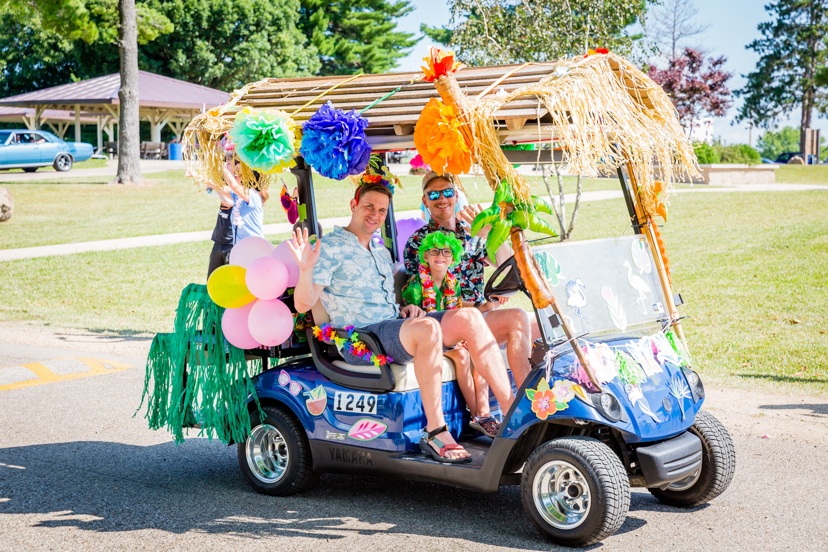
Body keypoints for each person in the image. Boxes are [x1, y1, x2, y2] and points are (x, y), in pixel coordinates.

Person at [289, 176, 515, 463]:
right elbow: (303, 304)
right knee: (428, 329)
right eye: (369, 207)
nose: (375, 215)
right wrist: (305, 269)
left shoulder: (380, 250)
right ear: (353, 205)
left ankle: (511, 415)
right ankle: (435, 432)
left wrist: (405, 308)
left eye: (382, 211)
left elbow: (386, 301)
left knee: (470, 317)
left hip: (392, 328)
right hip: (361, 338)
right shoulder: (329, 247)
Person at [405, 171, 534, 388]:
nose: (442, 199)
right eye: (434, 194)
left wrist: (491, 232)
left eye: (447, 192)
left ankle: (527, 400)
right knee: (516, 318)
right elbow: (426, 296)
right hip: (445, 321)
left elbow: (507, 263)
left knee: (532, 323)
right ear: (424, 200)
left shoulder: (471, 231)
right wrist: (479, 307)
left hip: (479, 316)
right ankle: (525, 400)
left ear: (456, 195)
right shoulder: (420, 242)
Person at [401, 230, 500, 438]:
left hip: (446, 334)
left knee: (476, 348)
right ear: (425, 256)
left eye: (446, 252)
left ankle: (484, 414)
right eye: (434, 251)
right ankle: (478, 416)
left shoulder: (452, 282)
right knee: (463, 356)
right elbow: (414, 319)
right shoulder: (416, 284)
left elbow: (453, 311)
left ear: (453, 258)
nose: (440, 255)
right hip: (425, 338)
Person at [222, 158, 269, 243]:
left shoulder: (253, 195)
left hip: (255, 247)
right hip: (241, 249)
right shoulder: (238, 196)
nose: (235, 175)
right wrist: (197, 175)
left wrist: (221, 167)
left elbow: (234, 186)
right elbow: (218, 186)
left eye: (238, 173)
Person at [206, 180, 235, 279]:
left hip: (231, 244)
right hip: (218, 241)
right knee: (212, 279)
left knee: (229, 280)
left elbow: (228, 202)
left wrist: (216, 187)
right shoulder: (226, 186)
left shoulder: (239, 192)